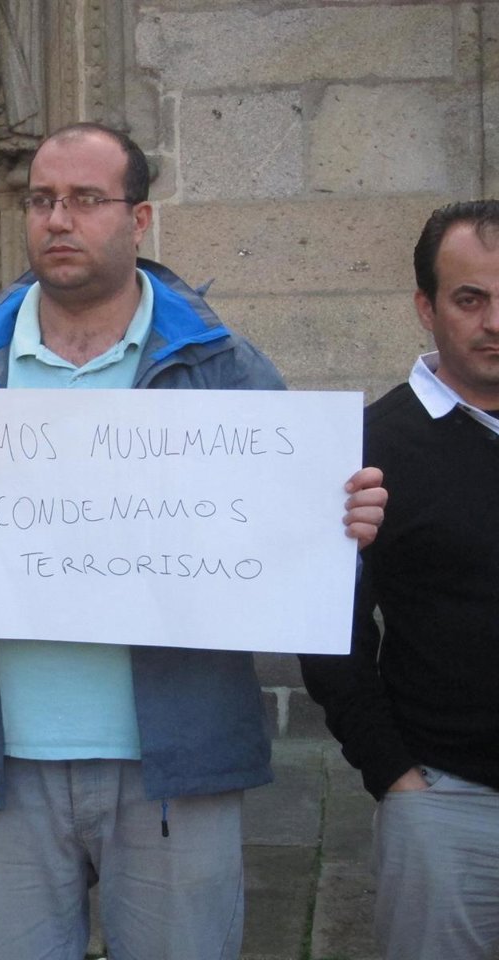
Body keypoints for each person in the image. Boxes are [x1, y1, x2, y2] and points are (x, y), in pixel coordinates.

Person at [0, 122, 387, 960]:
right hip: (0, 758)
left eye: (86, 199)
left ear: (140, 217)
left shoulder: (224, 365)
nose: (59, 219)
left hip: (174, 760)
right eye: (42, 199)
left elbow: (283, 547)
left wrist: (343, 528)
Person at [300, 200, 499, 960]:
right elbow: (330, 633)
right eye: (469, 298)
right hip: (449, 804)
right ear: (426, 307)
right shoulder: (368, 448)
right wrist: (395, 778)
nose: (492, 321)